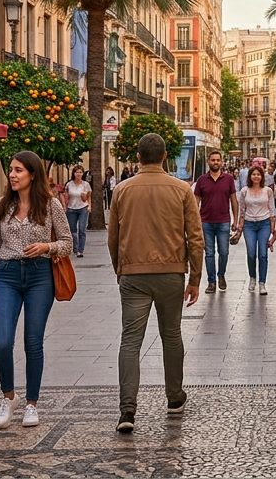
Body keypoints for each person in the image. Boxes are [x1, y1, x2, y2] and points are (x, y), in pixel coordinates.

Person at [107, 133, 202, 434]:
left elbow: (113, 237)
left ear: (137, 157)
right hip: (171, 273)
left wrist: (120, 269)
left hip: (133, 274)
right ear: (164, 157)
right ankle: (174, 397)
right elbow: (195, 238)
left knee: (130, 341)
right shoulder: (181, 189)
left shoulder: (122, 190)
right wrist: (195, 278)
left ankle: (127, 409)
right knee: (171, 336)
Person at [0, 150, 72, 430]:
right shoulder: (0, 205)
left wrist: (47, 246)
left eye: (18, 170)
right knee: (2, 342)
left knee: (33, 342)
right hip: (7, 275)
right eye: (11, 170)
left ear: (32, 175)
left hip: (40, 275)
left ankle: (32, 404)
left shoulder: (50, 205)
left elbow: (67, 242)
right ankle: (8, 397)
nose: (12, 175)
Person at [193, 150, 238, 293]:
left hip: (223, 221)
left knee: (224, 252)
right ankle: (211, 282)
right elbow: (196, 202)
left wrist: (235, 220)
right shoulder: (201, 180)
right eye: (213, 160)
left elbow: (233, 200)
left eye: (218, 160)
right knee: (209, 253)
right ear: (208, 161)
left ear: (221, 162)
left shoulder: (228, 179)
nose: (215, 162)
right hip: (206, 222)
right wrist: (195, 221)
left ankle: (221, 275)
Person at [236, 166, 276, 294]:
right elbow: (242, 210)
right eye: (254, 174)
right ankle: (252, 277)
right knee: (251, 253)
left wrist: (273, 228)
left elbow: (272, 209)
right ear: (250, 176)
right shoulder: (244, 191)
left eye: (258, 174)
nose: (256, 176)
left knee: (263, 254)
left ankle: (262, 283)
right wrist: (239, 227)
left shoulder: (267, 191)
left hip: (264, 223)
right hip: (249, 224)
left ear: (262, 176)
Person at [63, 165, 91, 258]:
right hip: (71, 208)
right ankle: (75, 247)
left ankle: (80, 250)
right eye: (77, 172)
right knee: (72, 231)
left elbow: (89, 196)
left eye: (80, 172)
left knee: (82, 229)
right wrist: (64, 206)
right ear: (74, 173)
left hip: (83, 208)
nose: (79, 174)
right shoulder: (69, 184)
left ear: (83, 174)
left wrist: (89, 206)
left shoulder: (86, 184)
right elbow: (65, 196)